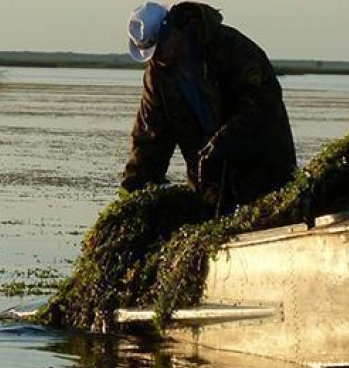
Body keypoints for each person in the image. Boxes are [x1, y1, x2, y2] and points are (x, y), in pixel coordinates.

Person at [122, 2, 297, 213]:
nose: (157, 56)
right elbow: (150, 138)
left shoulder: (230, 47)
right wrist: (133, 189)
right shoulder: (158, 76)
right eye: (151, 52)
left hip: (263, 167)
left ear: (175, 29)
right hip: (208, 183)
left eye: (159, 46)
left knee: (267, 215)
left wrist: (226, 139)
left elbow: (262, 101)